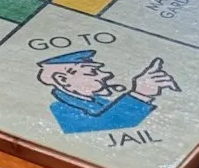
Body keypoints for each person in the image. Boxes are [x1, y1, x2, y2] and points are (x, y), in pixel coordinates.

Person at [36, 50, 179, 134]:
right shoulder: (57, 108)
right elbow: (99, 129)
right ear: (62, 79)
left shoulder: (102, 102)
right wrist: (140, 94)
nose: (106, 75)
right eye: (92, 72)